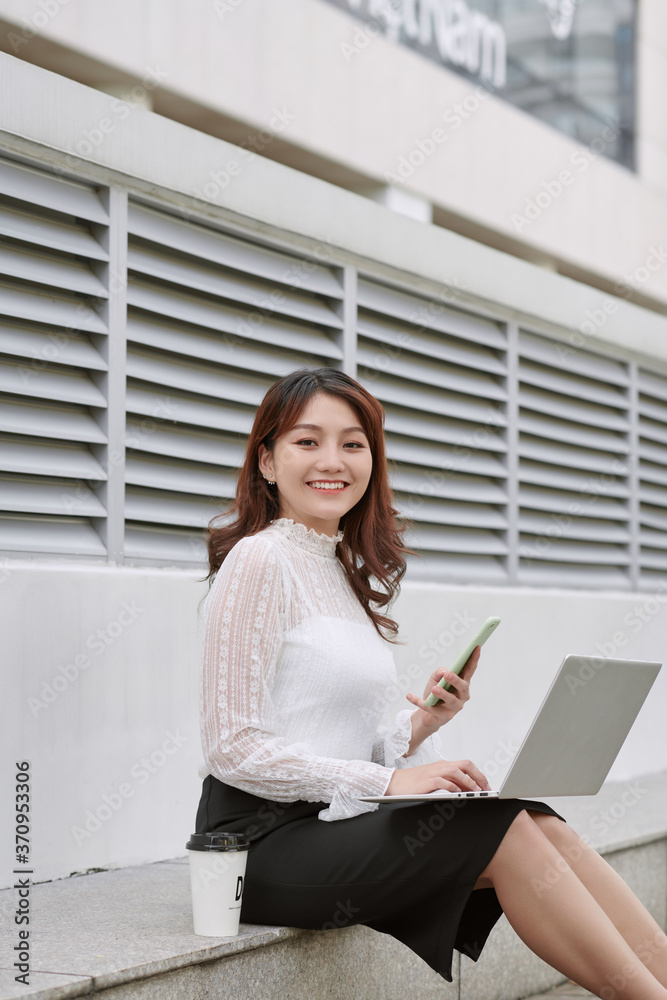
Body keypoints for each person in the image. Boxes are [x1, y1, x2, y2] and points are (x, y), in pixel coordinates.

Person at [195, 367, 667, 999]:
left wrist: (422, 726)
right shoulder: (259, 560)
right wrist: (390, 782)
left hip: (329, 824)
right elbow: (233, 747)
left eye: (353, 443)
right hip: (258, 845)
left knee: (532, 817)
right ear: (267, 462)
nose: (332, 460)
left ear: (373, 461)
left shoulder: (337, 569)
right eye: (307, 441)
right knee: (500, 830)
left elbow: (323, 735)